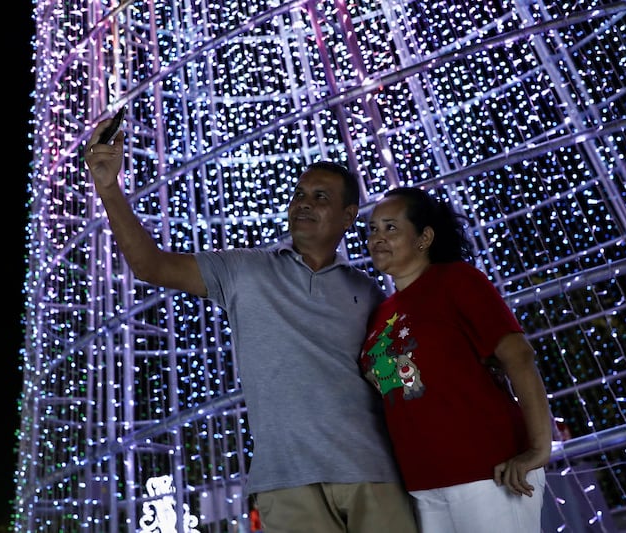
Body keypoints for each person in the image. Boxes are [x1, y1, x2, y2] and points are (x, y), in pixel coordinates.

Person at [84, 121, 418, 533]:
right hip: (286, 481)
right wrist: (109, 189)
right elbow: (150, 265)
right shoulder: (245, 269)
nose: (303, 204)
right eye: (298, 195)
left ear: (349, 216)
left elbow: (398, 379)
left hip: (374, 471)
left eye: (320, 197)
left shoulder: (368, 293)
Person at [360, 186, 552, 533]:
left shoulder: (456, 281)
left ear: (424, 237)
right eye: (372, 229)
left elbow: (519, 356)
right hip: (424, 482)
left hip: (489, 470)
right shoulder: (380, 314)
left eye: (390, 227)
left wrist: (539, 448)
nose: (377, 238)